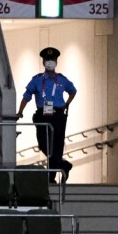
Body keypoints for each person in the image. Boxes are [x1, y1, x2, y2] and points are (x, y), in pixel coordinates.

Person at [17, 46, 77, 180]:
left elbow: (73, 91)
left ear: (57, 62)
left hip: (59, 115)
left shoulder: (62, 79)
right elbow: (27, 96)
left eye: (53, 59)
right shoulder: (37, 80)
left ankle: (51, 177)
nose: (50, 62)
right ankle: (63, 165)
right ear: (43, 62)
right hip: (43, 115)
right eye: (47, 59)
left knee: (57, 146)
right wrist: (20, 112)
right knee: (44, 145)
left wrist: (67, 104)